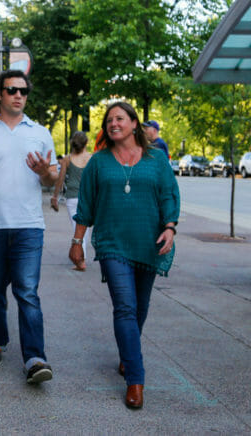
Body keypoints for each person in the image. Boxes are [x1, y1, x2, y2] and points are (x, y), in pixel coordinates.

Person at [71, 101, 180, 410]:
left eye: (119, 118)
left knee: (140, 307)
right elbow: (87, 204)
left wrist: (170, 227)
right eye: (108, 120)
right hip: (111, 243)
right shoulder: (99, 162)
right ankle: (135, 378)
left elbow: (170, 194)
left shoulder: (156, 160)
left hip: (149, 242)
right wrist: (77, 241)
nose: (113, 124)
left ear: (134, 124)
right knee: (125, 308)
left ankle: (126, 352)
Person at [0, 70, 58, 384]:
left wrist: (46, 174)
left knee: (27, 292)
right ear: (0, 95)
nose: (19, 95)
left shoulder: (41, 133)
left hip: (29, 225)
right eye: (12, 90)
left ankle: (35, 357)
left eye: (24, 90)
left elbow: (52, 177)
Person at [51, 131, 93, 271]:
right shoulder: (91, 158)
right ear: (86, 143)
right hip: (88, 197)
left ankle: (80, 260)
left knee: (77, 227)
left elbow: (60, 179)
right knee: (84, 228)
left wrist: (55, 196)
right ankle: (81, 257)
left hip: (72, 197)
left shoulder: (67, 159)